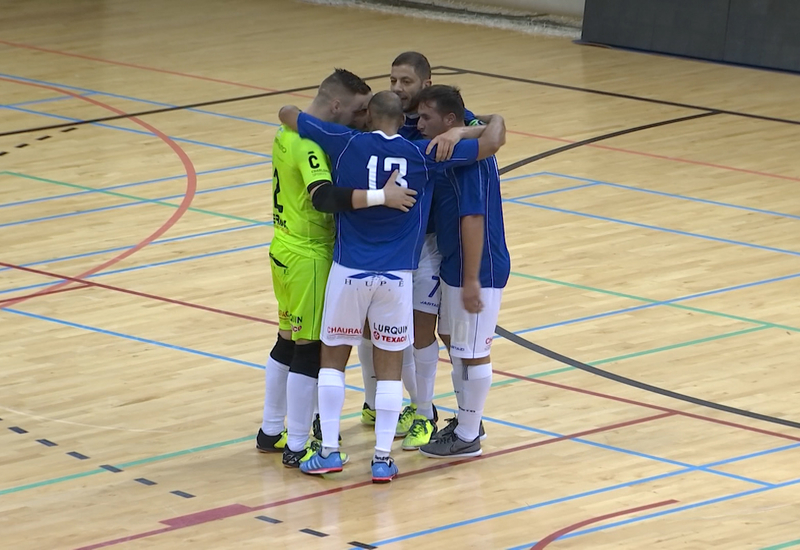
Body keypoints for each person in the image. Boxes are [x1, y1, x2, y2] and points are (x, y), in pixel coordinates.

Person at [277, 90, 505, 481]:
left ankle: (329, 450)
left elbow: (288, 113)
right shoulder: (424, 154)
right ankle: (383, 458)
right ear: (403, 120)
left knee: (332, 361)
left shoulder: (344, 141)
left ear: (368, 115)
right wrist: (466, 131)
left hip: (348, 270)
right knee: (391, 367)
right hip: (397, 278)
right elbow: (491, 142)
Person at [257, 69, 416, 469]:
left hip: (283, 247)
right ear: (336, 106)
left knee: (287, 342)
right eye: (360, 110)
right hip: (309, 254)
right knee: (310, 351)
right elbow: (325, 197)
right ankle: (297, 445)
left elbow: (286, 111)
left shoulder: (285, 134)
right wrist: (384, 195)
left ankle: (271, 429)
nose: (364, 119)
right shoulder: (310, 145)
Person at [358, 52, 483, 450]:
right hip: (388, 244)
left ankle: (427, 413)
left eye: (406, 82)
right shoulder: (385, 120)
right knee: (373, 327)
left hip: (428, 245)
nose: (397, 88)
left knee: (424, 331)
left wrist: (460, 134)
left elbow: (493, 130)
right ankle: (380, 401)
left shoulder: (440, 125)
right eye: (393, 80)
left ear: (426, 85)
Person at [413, 85, 510, 459]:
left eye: (427, 118)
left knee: (472, 352)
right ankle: (469, 418)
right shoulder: (466, 136)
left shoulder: (462, 159)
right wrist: (465, 130)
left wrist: (471, 280)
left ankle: (468, 434)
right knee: (455, 340)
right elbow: (489, 123)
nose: (420, 124)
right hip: (458, 262)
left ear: (449, 120)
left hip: (479, 266)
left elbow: (473, 218)